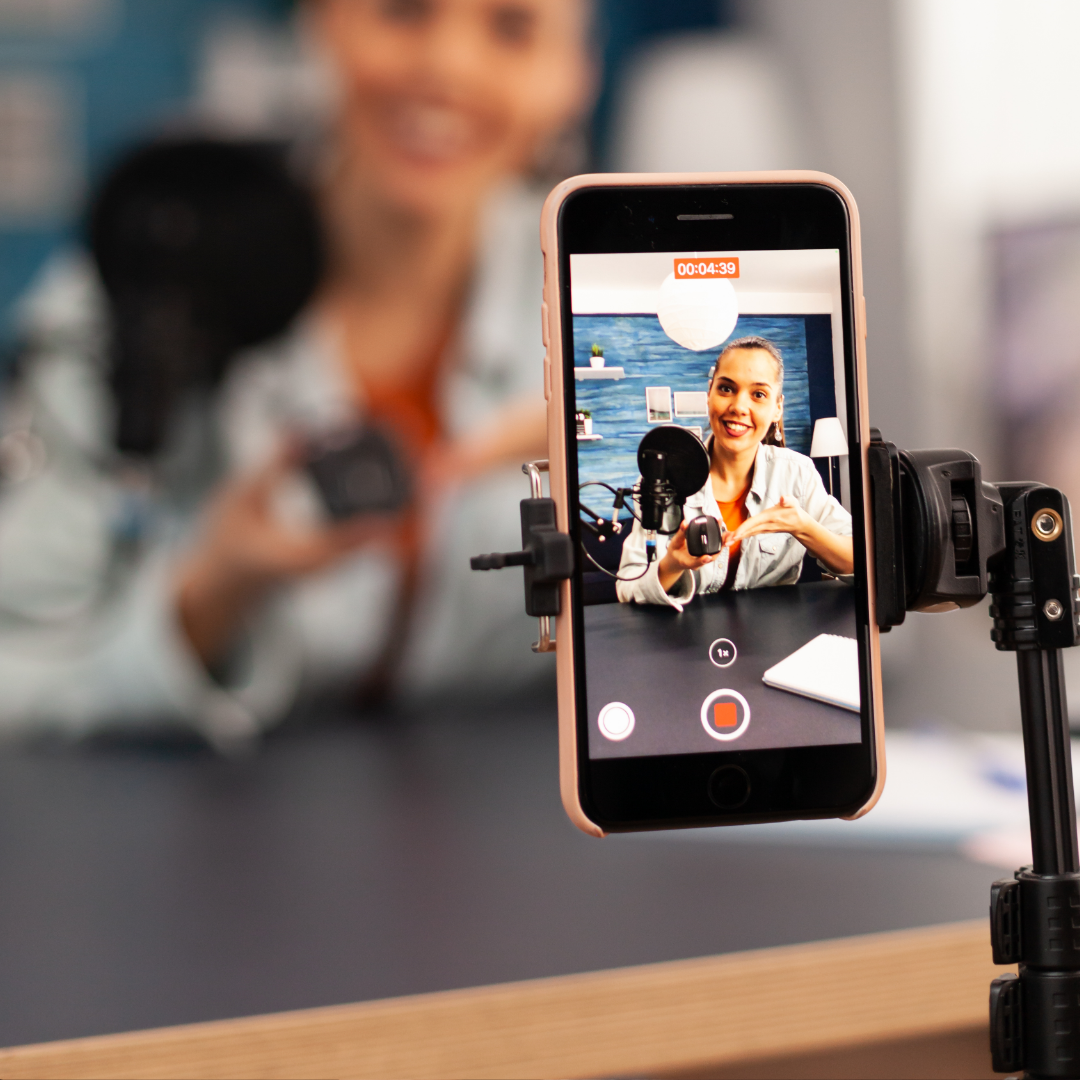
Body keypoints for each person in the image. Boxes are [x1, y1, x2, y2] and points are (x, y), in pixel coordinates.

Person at [0, 0, 593, 747]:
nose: (449, 67)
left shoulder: (609, 307)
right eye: (404, 12)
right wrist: (211, 595)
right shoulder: (145, 288)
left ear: (575, 76)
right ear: (324, 22)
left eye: (513, 28)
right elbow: (17, 673)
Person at [616, 336, 854, 610]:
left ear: (777, 408)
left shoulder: (798, 473)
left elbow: (861, 561)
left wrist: (804, 527)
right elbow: (627, 587)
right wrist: (672, 564)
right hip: (685, 634)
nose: (739, 407)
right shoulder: (662, 480)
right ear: (710, 394)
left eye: (759, 394)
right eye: (726, 388)